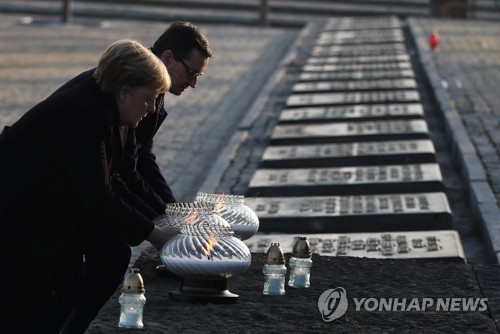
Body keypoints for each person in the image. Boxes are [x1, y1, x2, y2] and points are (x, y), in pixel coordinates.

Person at [0, 39, 172, 333]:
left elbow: (115, 178)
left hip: (46, 219)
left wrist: (160, 221)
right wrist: (155, 233)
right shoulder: (83, 113)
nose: (152, 108)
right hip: (17, 219)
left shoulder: (112, 113)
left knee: (70, 289)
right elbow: (97, 195)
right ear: (124, 91)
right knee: (25, 311)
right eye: (148, 98)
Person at [54, 21, 213, 215]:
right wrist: (164, 219)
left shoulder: (150, 87)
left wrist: (173, 211)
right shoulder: (138, 85)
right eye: (191, 72)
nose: (194, 83)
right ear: (168, 57)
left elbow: (142, 156)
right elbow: (124, 172)